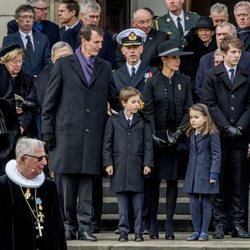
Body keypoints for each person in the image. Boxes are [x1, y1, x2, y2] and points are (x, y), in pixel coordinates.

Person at [42, 24, 119, 241]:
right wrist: (48, 135)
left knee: (87, 184)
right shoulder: (64, 65)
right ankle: (68, 225)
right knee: (66, 185)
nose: (100, 46)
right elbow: (49, 103)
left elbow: (114, 98)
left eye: (101, 42)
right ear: (83, 41)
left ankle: (85, 227)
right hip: (66, 134)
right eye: (96, 42)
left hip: (93, 134)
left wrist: (136, 107)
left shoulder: (104, 66)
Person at [144, 40, 193, 240]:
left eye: (178, 57)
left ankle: (170, 224)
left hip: (176, 138)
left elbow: (189, 109)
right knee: (153, 183)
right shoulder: (152, 81)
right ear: (163, 59)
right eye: (174, 57)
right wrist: (155, 136)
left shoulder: (185, 80)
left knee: (172, 181)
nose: (177, 60)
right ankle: (153, 223)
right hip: (156, 138)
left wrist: (179, 133)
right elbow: (148, 111)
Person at [202, 35, 250, 239]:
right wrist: (225, 126)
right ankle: (220, 224)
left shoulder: (247, 75)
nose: (237, 55)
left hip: (240, 135)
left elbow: (249, 105)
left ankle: (238, 224)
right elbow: (209, 103)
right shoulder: (212, 75)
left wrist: (239, 126)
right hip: (219, 137)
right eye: (233, 52)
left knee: (239, 183)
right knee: (219, 181)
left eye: (239, 52)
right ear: (223, 53)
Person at [103, 87, 153, 242]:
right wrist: (108, 163)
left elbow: (148, 144)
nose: (137, 104)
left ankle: (138, 231)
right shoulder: (113, 121)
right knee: (122, 202)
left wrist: (147, 163)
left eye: (138, 101)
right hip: (119, 165)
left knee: (138, 202)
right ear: (124, 103)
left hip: (137, 165)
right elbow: (107, 144)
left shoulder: (143, 122)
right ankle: (123, 230)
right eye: (133, 102)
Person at [0, 137, 67, 250]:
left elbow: (58, 229)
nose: (45, 162)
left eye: (45, 157)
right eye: (39, 158)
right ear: (22, 159)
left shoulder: (49, 186)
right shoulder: (3, 186)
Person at [183, 103, 221, 241]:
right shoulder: (192, 133)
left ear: (205, 118)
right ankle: (196, 230)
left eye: (196, 117)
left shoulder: (212, 133)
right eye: (191, 117)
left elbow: (216, 155)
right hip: (192, 173)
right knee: (193, 202)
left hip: (206, 173)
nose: (193, 120)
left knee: (205, 201)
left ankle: (204, 232)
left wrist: (214, 174)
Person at [196, 22, 250, 98]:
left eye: (225, 34)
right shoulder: (205, 60)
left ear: (235, 36)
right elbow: (200, 88)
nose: (221, 37)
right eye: (218, 34)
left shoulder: (247, 58)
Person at [2, 4, 51, 77]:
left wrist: (41, 78)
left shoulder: (43, 39)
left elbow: (47, 61)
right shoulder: (9, 40)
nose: (28, 20)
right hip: (18, 83)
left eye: (31, 17)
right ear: (16, 19)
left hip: (39, 83)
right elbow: (7, 63)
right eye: (24, 17)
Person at [61, 0, 115, 65]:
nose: (95, 20)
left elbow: (110, 61)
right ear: (82, 16)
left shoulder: (107, 36)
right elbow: (66, 61)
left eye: (97, 17)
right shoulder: (68, 35)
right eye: (92, 17)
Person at [0, 44, 37, 138]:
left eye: (20, 61)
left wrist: (22, 126)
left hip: (25, 128)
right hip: (4, 129)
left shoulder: (28, 79)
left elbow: (34, 101)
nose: (18, 64)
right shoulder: (2, 80)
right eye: (14, 61)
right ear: (5, 62)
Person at [181, 16, 217, 102]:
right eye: (201, 30)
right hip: (196, 92)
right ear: (197, 32)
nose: (204, 33)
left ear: (212, 32)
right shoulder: (189, 49)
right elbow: (186, 74)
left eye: (207, 30)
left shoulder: (218, 47)